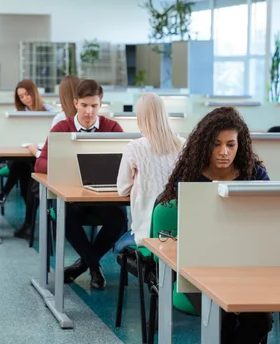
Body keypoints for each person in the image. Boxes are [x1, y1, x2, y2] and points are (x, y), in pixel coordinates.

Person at [157, 106, 272, 344]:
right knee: (221, 319)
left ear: (240, 145)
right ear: (204, 144)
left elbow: (266, 226)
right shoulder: (190, 178)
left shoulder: (255, 176)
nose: (223, 152)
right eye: (216, 144)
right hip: (197, 268)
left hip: (244, 266)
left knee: (261, 320)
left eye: (230, 144)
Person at [35, 79, 127, 290]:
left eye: (94, 106)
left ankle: (82, 265)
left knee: (120, 218)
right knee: (62, 215)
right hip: (71, 196)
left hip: (103, 196)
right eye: (84, 105)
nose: (89, 111)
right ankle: (93, 265)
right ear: (75, 103)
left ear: (100, 105)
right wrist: (70, 167)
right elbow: (39, 163)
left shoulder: (112, 127)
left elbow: (127, 163)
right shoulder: (61, 128)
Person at [114, 93, 184, 252]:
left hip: (147, 234)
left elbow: (122, 189)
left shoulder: (135, 147)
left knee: (118, 247)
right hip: (181, 232)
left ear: (140, 119)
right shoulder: (183, 145)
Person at [16, 75, 81, 240]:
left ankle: (28, 224)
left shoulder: (60, 119)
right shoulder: (94, 118)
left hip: (63, 180)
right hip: (83, 178)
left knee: (34, 180)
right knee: (21, 168)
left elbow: (49, 158)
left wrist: (35, 151)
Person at [0, 80, 54, 208]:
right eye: (21, 96)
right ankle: (30, 215)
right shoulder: (17, 113)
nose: (25, 99)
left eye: (27, 94)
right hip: (21, 153)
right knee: (21, 164)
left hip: (39, 154)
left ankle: (5, 192)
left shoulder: (50, 111)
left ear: (34, 92)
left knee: (23, 167)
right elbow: (12, 136)